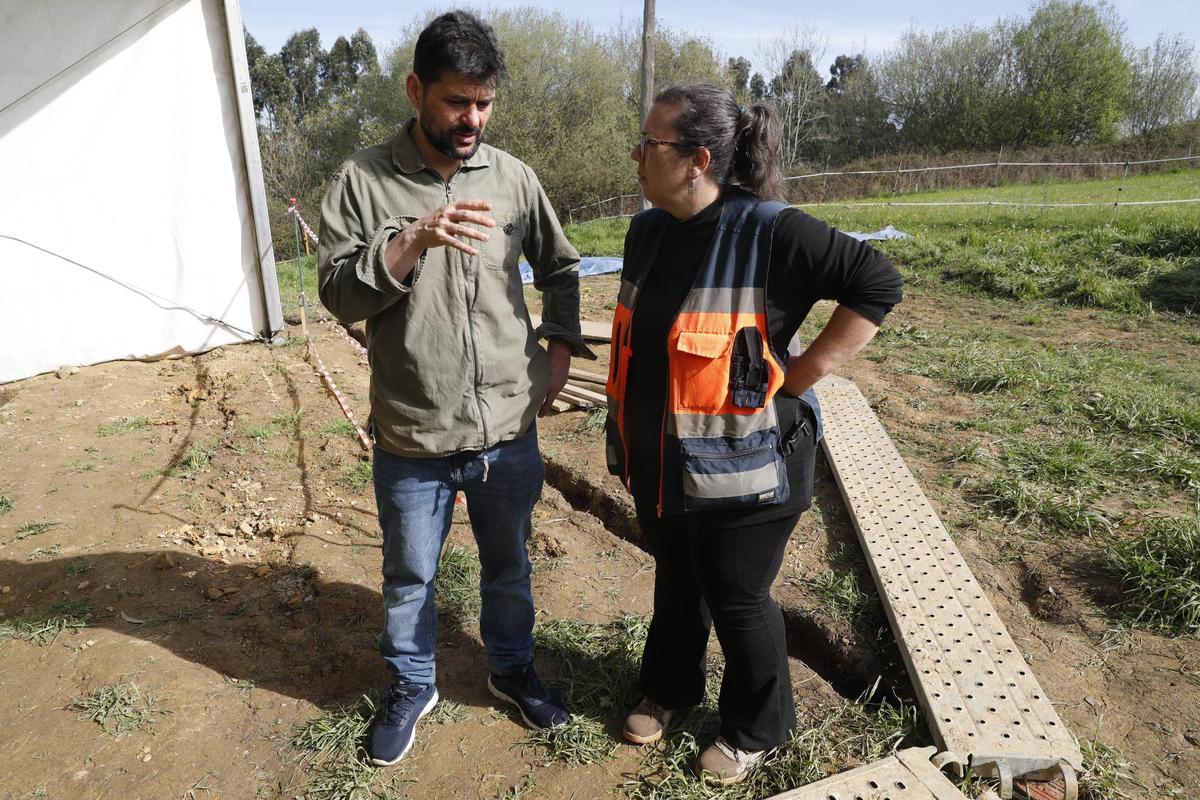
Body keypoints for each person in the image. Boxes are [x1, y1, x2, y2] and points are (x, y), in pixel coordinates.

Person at [317, 10, 592, 767]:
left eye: (484, 103)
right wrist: (411, 239)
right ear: (415, 91)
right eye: (455, 101)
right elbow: (338, 295)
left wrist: (559, 348)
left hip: (507, 425)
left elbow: (563, 266)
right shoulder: (361, 180)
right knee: (410, 576)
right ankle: (412, 685)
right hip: (415, 430)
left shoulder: (513, 178)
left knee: (509, 566)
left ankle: (512, 670)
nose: (472, 119)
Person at [606, 83, 903, 785]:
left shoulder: (771, 231)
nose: (637, 154)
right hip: (661, 458)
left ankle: (756, 726)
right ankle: (671, 688)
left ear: (697, 160)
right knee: (677, 576)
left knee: (737, 595)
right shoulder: (647, 231)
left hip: (750, 463)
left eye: (650, 143)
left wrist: (801, 375)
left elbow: (877, 281)